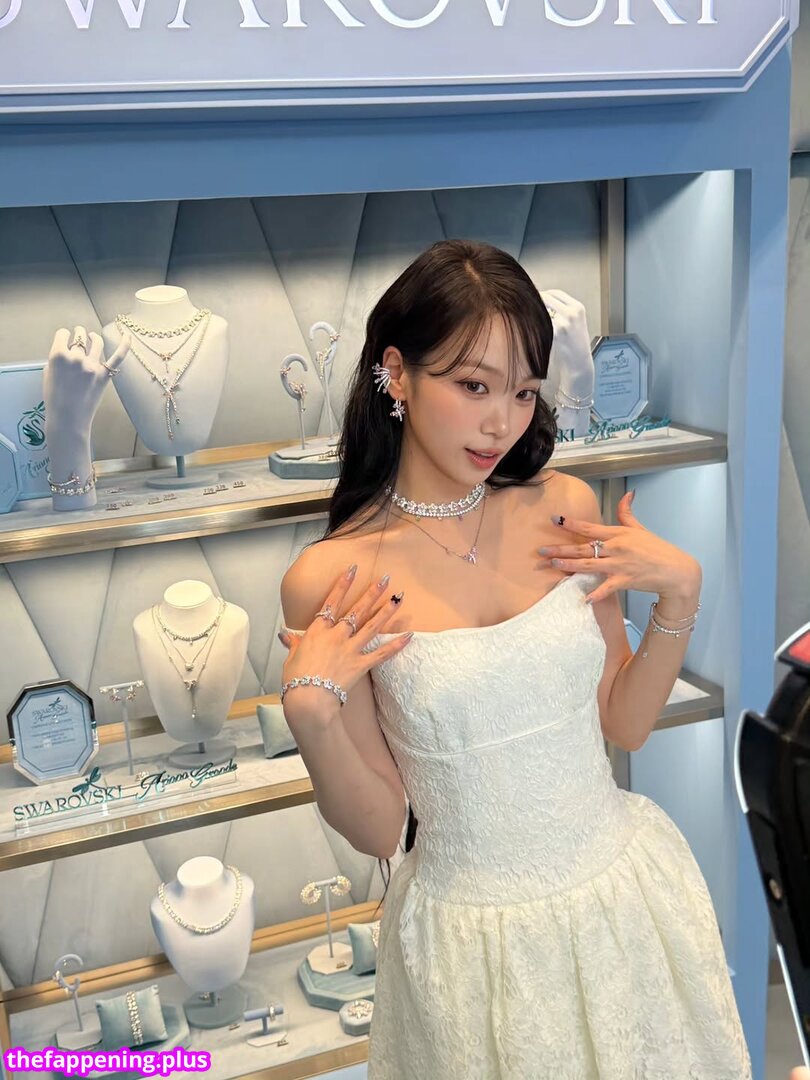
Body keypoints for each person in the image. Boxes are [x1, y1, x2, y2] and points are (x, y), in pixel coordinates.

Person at [278, 240, 751, 1078]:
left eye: (525, 391)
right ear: (396, 373)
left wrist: (681, 596)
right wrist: (312, 719)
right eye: (474, 386)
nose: (503, 422)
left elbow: (625, 722)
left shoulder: (563, 507)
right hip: (471, 948)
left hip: (621, 902)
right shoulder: (331, 578)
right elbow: (382, 828)